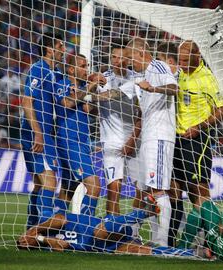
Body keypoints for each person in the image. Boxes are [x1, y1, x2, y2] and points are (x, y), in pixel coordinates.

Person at [168, 40, 223, 247]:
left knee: (198, 192)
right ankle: (170, 242)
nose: (182, 64)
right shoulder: (180, 74)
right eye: (180, 60)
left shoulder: (208, 79)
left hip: (197, 140)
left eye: (186, 60)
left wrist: (199, 127)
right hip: (176, 139)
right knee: (173, 190)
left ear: (197, 57)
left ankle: (211, 242)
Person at [17, 194, 195, 258]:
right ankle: (194, 254)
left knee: (99, 231)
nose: (25, 242)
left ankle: (142, 214)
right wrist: (39, 240)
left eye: (22, 240)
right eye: (24, 245)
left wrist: (36, 230)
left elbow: (60, 219)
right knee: (146, 252)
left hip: (110, 228)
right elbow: (63, 246)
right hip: (104, 247)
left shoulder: (48, 223)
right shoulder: (45, 246)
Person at [126, 37, 178, 246]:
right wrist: (91, 95)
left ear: (141, 53)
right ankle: (139, 234)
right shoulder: (140, 76)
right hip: (149, 136)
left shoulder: (158, 66)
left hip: (159, 135)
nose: (130, 63)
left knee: (158, 190)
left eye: (132, 58)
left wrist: (153, 89)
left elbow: (173, 88)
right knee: (148, 190)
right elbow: (115, 93)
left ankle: (162, 242)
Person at [21, 32, 65, 228]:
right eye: (60, 46)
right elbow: (26, 101)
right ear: (50, 49)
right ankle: (43, 230)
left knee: (40, 183)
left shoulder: (53, 73)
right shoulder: (39, 69)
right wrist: (38, 133)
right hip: (36, 133)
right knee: (50, 182)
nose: (64, 50)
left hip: (46, 133)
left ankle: (31, 226)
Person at [54, 54, 104, 216]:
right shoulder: (62, 84)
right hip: (69, 140)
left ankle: (53, 227)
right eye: (82, 66)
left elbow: (88, 110)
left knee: (68, 188)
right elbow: (67, 103)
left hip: (82, 141)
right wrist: (90, 86)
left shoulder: (83, 87)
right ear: (71, 69)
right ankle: (85, 228)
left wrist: (95, 89)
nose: (86, 69)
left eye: (87, 66)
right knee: (94, 185)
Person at [99, 39, 141, 216]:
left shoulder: (136, 79)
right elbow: (90, 106)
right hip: (111, 141)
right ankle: (110, 231)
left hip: (135, 141)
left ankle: (135, 231)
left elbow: (142, 114)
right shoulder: (103, 78)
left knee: (142, 188)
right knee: (114, 189)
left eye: (121, 57)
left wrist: (132, 140)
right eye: (114, 57)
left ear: (128, 59)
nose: (116, 61)